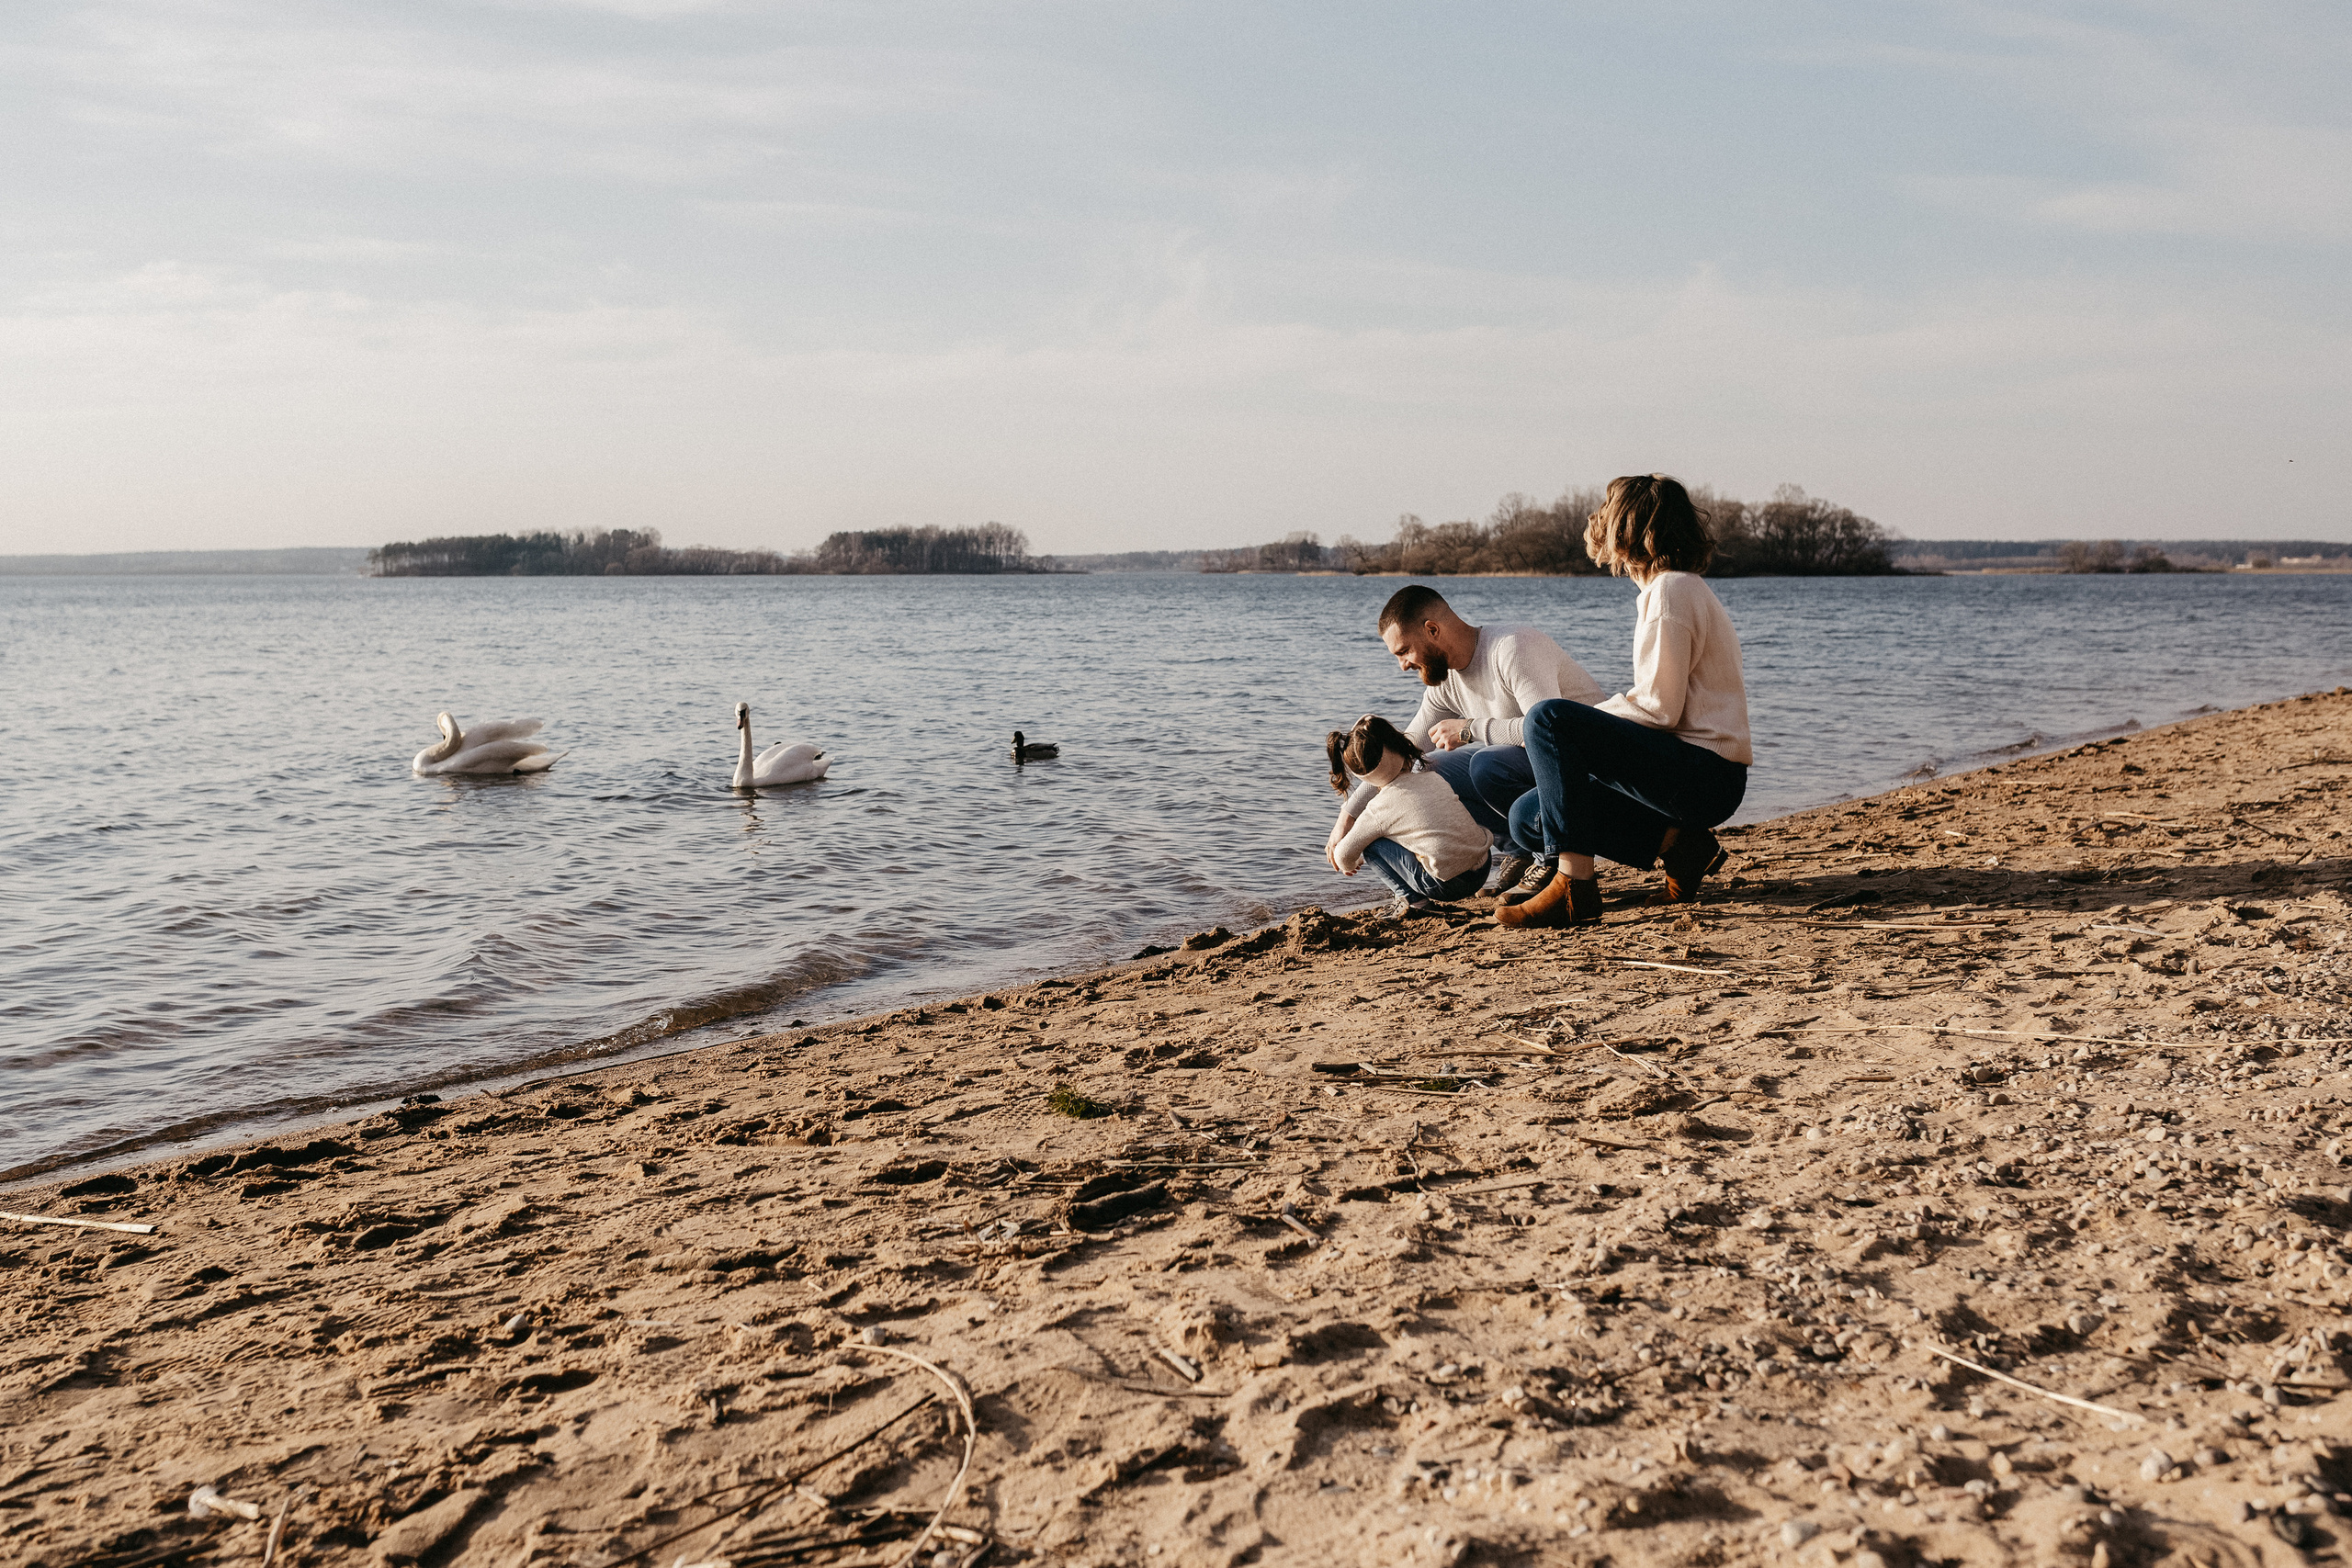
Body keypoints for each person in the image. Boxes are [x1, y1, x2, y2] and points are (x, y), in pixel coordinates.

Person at [1496, 474, 1754, 929]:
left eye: (1607, 509)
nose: (1598, 517)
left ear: (1629, 526)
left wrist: (1578, 727)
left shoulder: (1671, 591)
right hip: (1697, 775)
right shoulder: (1674, 589)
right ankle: (1682, 848)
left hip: (1705, 775)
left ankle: (1575, 886)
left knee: (1547, 719)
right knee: (1527, 816)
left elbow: (1658, 708)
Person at [1323, 585, 1603, 899]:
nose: (1403, 665)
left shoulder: (1512, 647)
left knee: (1487, 762)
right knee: (1432, 767)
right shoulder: (1446, 683)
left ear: (1432, 629)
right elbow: (1401, 753)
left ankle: (1549, 859)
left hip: (1594, 770)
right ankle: (1520, 850)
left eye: (1404, 651)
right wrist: (1347, 817)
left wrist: (1470, 730)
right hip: (1543, 773)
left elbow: (1552, 731)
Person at [1324, 715, 1492, 917]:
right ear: (1401, 746)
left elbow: (1343, 857)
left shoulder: (1378, 808)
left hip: (1449, 885)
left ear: (1361, 775)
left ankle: (1414, 901)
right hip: (1483, 866)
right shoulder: (1433, 777)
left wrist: (1354, 862)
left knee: (1372, 844)